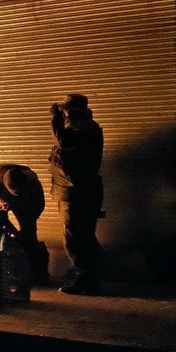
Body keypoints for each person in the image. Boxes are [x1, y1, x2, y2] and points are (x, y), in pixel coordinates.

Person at [49, 93, 104, 294]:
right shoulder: (82, 127)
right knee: (83, 235)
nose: (62, 113)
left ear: (72, 111)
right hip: (74, 190)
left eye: (64, 110)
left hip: (78, 191)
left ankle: (86, 279)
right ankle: (88, 274)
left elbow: (64, 142)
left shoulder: (83, 128)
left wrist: (55, 120)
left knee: (75, 236)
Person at [0, 163, 49, 286]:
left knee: (29, 235)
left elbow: (37, 208)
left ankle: (36, 272)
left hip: (25, 203)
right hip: (1, 203)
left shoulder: (32, 182)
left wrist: (24, 232)